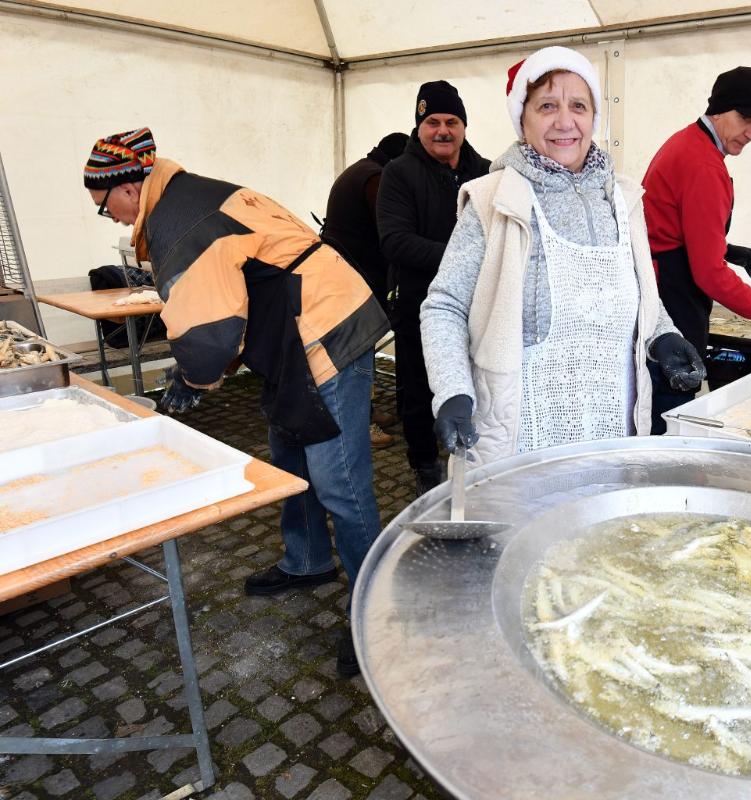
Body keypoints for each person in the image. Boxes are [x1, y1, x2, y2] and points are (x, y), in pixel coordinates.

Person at [83, 128, 388, 678]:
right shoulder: (189, 197)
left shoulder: (181, 221)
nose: (114, 220)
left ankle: (376, 612)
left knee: (340, 482)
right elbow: (232, 294)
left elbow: (212, 335)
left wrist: (192, 379)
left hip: (326, 330)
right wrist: (202, 368)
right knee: (289, 456)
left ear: (128, 188)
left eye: (106, 208)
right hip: (290, 334)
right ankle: (308, 560)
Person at [421, 47, 705, 463]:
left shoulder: (624, 200)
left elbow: (640, 296)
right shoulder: (493, 200)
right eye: (547, 106)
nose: (565, 121)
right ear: (522, 118)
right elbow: (444, 306)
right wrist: (453, 392)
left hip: (612, 431)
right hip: (520, 440)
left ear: (594, 117)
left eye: (578, 106)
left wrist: (662, 335)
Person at [641, 66, 751, 433]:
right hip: (672, 299)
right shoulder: (703, 164)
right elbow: (708, 273)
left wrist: (729, 250)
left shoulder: (687, 142)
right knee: (668, 415)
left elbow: (672, 228)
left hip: (662, 285)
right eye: (747, 120)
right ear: (720, 109)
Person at [377, 82, 490, 493]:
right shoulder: (398, 173)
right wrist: (464, 258)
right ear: (419, 126)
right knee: (419, 390)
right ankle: (425, 465)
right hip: (420, 306)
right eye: (433, 122)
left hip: (479, 307)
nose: (443, 130)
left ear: (464, 126)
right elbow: (395, 241)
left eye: (452, 122)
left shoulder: (488, 173)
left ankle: (479, 460)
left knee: (480, 385)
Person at [319, 131, 410, 449]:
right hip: (354, 278)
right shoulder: (376, 178)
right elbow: (388, 227)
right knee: (359, 350)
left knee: (361, 349)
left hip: (344, 272)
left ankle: (366, 412)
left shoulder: (361, 169)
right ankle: (360, 423)